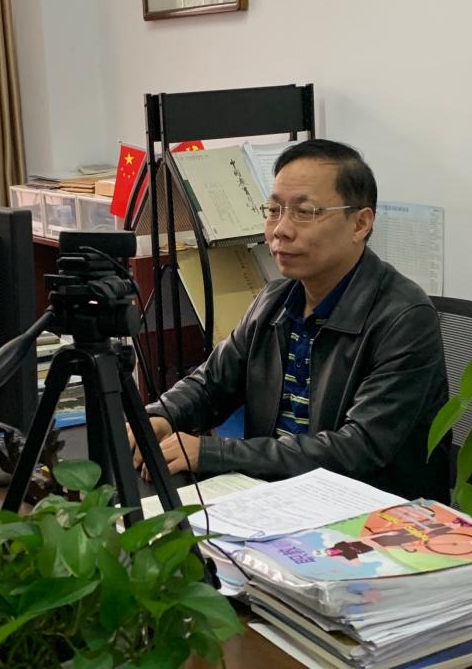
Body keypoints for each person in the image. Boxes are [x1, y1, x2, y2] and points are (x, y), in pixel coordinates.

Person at [130, 138, 450, 502]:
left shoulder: (405, 319)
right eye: (273, 210)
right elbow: (211, 384)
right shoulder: (275, 300)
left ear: (360, 223)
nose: (280, 229)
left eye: (304, 212)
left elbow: (356, 449)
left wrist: (214, 453)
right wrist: (162, 417)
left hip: (371, 511)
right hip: (274, 496)